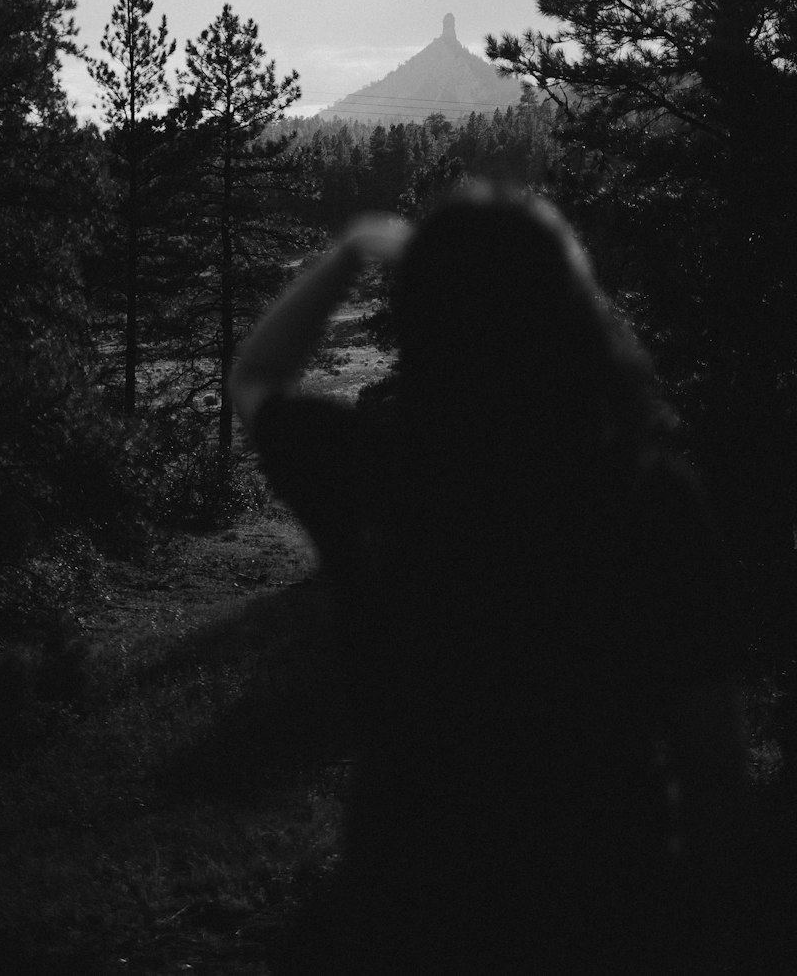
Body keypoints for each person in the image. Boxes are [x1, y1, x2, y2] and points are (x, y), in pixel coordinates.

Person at [231, 184, 743, 974]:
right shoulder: (648, 493)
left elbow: (259, 376)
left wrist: (356, 250)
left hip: (410, 902)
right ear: (571, 315)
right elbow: (710, 757)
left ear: (426, 322)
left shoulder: (382, 471)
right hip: (606, 906)